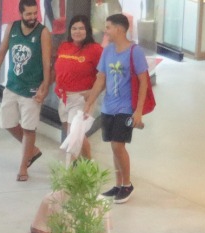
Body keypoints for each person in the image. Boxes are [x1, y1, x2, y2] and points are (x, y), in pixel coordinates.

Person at [84, 13, 152, 203]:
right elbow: (101, 78)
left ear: (119, 29)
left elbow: (143, 82)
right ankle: (118, 184)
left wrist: (138, 111)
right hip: (108, 106)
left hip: (126, 107)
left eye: (108, 27)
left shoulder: (135, 52)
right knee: (114, 147)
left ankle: (128, 184)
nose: (105, 31)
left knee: (117, 145)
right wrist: (90, 101)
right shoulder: (107, 51)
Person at [0, 0, 52, 183]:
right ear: (20, 13)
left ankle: (23, 167)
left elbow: (47, 62)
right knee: (7, 123)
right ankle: (32, 150)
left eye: (34, 13)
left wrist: (44, 86)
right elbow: (1, 52)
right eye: (28, 14)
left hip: (32, 90)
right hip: (12, 85)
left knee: (29, 128)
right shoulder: (12, 27)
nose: (32, 17)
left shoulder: (43, 32)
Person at [52, 14, 102, 161]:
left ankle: (69, 176)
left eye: (81, 28)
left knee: (73, 137)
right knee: (76, 134)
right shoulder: (64, 46)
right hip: (63, 97)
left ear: (88, 30)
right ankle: (89, 163)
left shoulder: (95, 49)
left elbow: (104, 76)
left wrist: (93, 94)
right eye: (74, 28)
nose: (77, 31)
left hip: (82, 98)